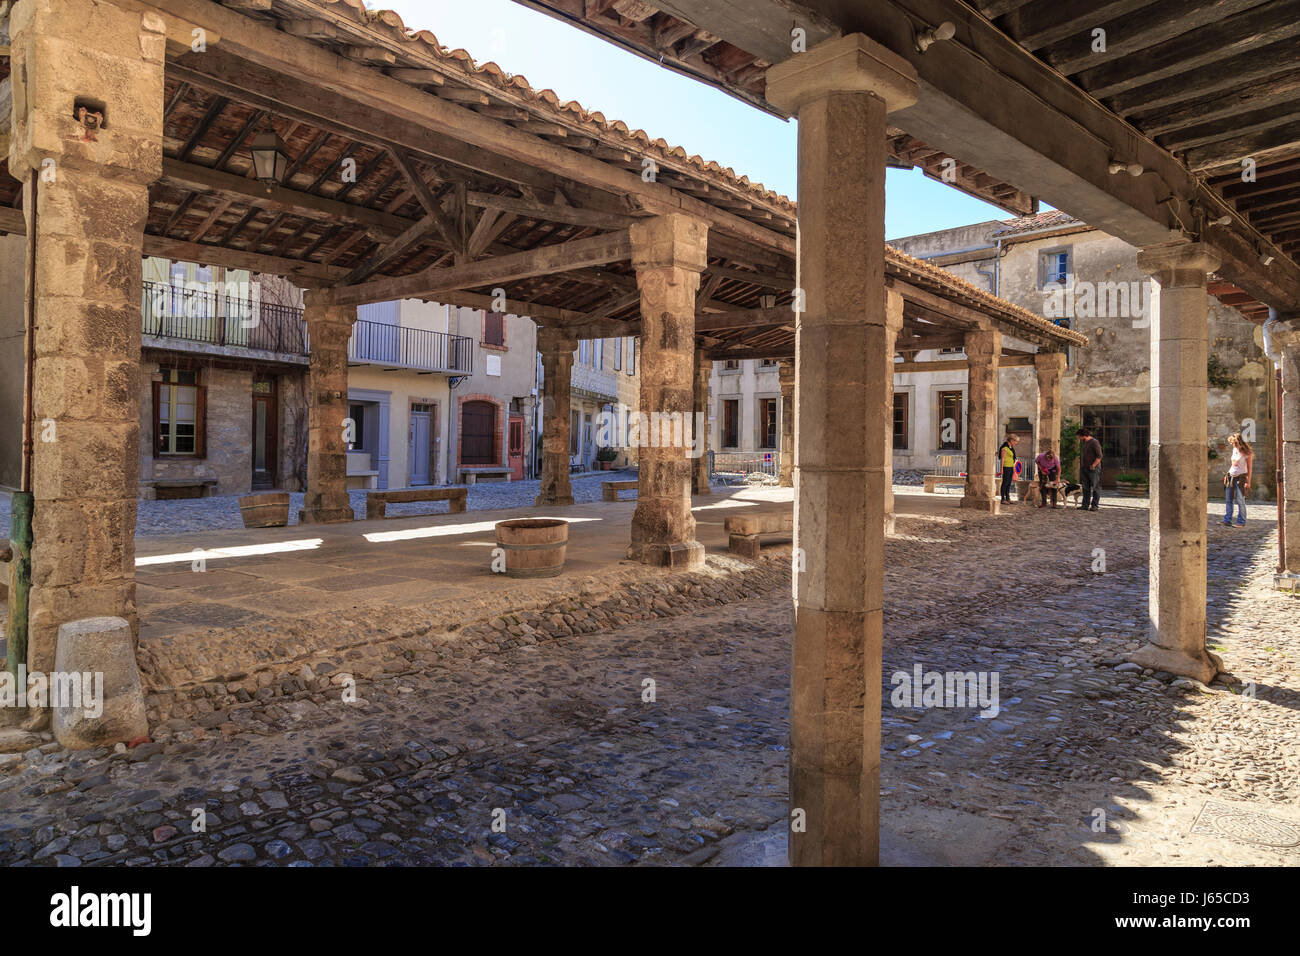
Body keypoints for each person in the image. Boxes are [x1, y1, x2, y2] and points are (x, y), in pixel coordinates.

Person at [1221, 433, 1253, 527]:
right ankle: (1227, 520)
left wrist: (1248, 482)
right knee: (1228, 499)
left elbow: (1250, 468)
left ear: (1239, 442)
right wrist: (1227, 475)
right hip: (1231, 476)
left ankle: (1241, 522)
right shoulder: (1234, 449)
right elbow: (1233, 464)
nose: (1233, 445)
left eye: (1234, 443)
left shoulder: (1247, 453)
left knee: (1240, 500)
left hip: (1241, 477)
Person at [1078, 425, 1103, 511]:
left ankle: (1095, 505)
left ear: (1083, 435)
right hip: (1085, 467)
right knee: (1085, 487)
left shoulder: (1094, 442)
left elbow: (1099, 456)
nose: (1078, 438)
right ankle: (1085, 504)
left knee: (1095, 487)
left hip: (1093, 468)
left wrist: (1093, 465)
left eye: (1079, 436)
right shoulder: (1086, 443)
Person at [997, 435, 1019, 504]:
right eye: (1016, 441)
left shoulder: (1010, 448)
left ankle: (1008, 498)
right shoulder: (1005, 448)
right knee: (1005, 483)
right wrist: (1001, 469)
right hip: (1006, 467)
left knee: (1009, 483)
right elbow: (1002, 459)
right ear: (1012, 440)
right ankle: (1003, 499)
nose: (1016, 443)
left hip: (1010, 467)